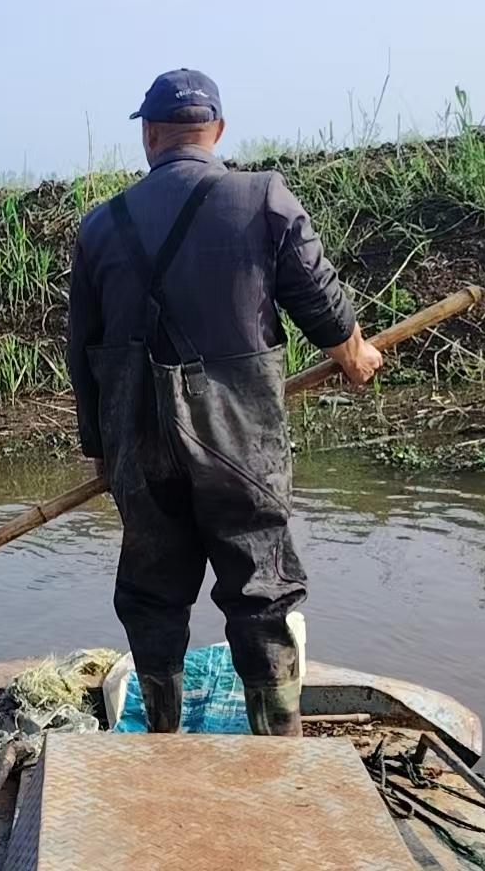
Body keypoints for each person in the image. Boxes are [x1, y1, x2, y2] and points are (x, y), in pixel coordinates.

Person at [66, 69, 383, 737]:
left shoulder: (99, 226)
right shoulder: (262, 197)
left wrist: (102, 452)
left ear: (150, 136)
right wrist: (355, 356)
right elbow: (320, 300)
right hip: (239, 439)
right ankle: (278, 739)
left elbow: (83, 350)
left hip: (137, 442)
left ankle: (160, 733)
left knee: (152, 592)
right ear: (216, 131)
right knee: (260, 587)